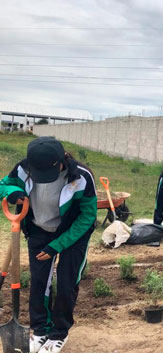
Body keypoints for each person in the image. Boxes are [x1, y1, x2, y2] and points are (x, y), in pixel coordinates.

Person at [0, 136, 97, 353]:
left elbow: (87, 216)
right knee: (39, 282)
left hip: (72, 234)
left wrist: (58, 245)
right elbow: (3, 186)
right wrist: (11, 192)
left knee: (66, 282)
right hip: (38, 230)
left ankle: (59, 333)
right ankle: (41, 330)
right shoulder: (24, 168)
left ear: (62, 159)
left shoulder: (81, 176)